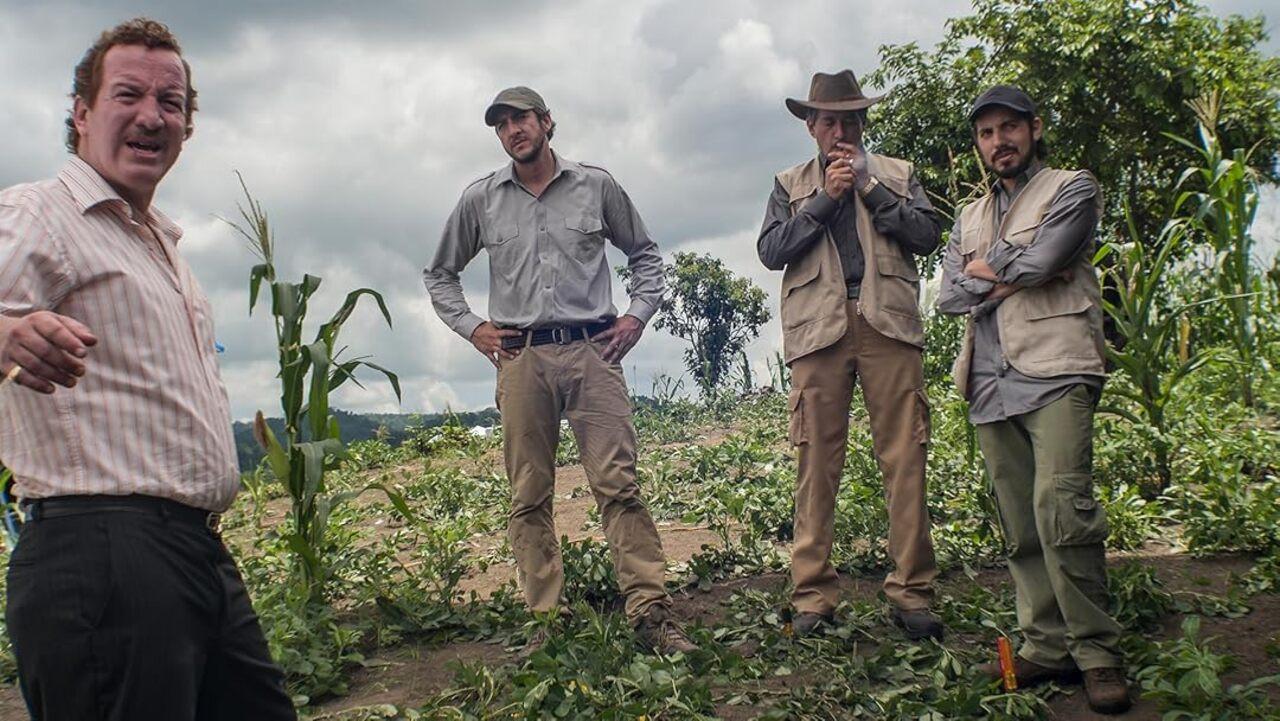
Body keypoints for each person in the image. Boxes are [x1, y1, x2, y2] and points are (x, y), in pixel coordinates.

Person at [0, 17, 296, 721]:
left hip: (190, 554)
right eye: (127, 94)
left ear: (187, 128)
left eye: (171, 103)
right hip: (100, 553)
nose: (151, 115)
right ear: (81, 115)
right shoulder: (42, 213)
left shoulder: (160, 248)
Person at [423, 86, 696, 655]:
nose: (512, 131)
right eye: (501, 125)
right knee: (528, 493)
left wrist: (636, 317)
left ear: (547, 123)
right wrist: (473, 328)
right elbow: (439, 273)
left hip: (592, 353)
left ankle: (650, 612)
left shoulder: (596, 185)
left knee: (618, 484)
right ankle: (549, 620)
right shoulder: (482, 199)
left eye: (520, 119)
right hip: (521, 359)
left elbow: (644, 254)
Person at [936, 85, 1130, 714]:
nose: (1000, 142)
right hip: (988, 379)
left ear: (1034, 129)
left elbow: (1049, 257)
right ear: (978, 144)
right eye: (987, 133)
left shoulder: (1073, 188)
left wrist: (989, 269)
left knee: (1063, 509)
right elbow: (948, 296)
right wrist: (1003, 267)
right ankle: (1046, 645)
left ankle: (1097, 652)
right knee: (1020, 522)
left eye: (1010, 128)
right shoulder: (968, 216)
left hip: (1057, 366)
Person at [758, 70, 943, 641]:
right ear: (810, 126)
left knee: (905, 459)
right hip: (818, 333)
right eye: (829, 120)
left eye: (850, 119)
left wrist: (866, 188)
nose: (840, 131)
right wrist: (824, 200)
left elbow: (928, 233)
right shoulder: (788, 184)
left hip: (888, 325)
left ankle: (913, 593)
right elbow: (770, 251)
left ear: (863, 122)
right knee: (815, 466)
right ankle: (813, 596)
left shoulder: (897, 175)